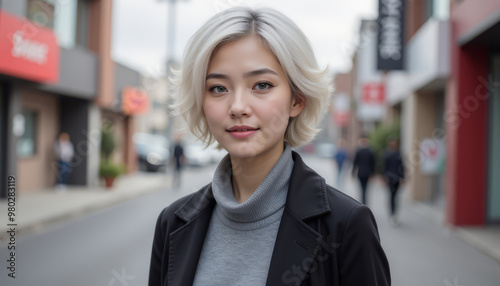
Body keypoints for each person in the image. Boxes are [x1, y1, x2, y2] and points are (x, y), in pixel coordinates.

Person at [149, 7, 390, 286]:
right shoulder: (172, 224)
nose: (238, 107)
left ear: (297, 100)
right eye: (218, 88)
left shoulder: (346, 226)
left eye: (261, 85)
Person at [383, 137, 405, 226]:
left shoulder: (394, 154)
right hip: (392, 178)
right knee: (393, 196)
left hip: (393, 178)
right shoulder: (393, 154)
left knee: (393, 196)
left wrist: (402, 178)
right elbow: (385, 167)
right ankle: (393, 214)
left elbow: (401, 167)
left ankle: (393, 214)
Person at [352, 135, 376, 205]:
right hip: (368, 173)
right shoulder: (370, 151)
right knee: (365, 188)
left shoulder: (359, 151)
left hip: (360, 173)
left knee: (362, 189)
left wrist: (353, 173)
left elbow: (355, 163)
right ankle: (364, 202)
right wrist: (373, 173)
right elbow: (373, 164)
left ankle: (363, 202)